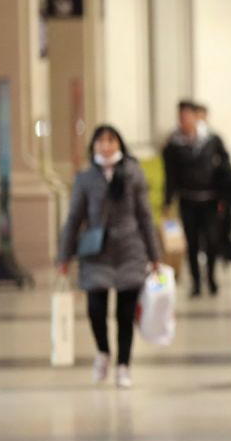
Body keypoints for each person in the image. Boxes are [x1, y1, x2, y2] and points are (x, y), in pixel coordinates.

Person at [57, 125, 161, 389]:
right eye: (100, 141)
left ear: (119, 144)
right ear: (93, 146)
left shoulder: (133, 174)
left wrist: (154, 254)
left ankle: (123, 365)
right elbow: (74, 218)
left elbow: (145, 216)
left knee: (125, 314)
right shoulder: (85, 178)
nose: (105, 146)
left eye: (111, 140)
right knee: (96, 309)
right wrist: (64, 256)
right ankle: (103, 351)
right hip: (96, 252)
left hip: (129, 250)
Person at [163, 100, 230, 297]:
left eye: (187, 116)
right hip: (187, 200)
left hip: (210, 199)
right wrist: (168, 201)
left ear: (195, 116)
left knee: (211, 241)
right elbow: (170, 174)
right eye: (181, 117)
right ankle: (196, 282)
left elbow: (226, 167)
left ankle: (211, 277)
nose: (184, 120)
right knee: (192, 243)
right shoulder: (173, 144)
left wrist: (224, 195)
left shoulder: (212, 139)